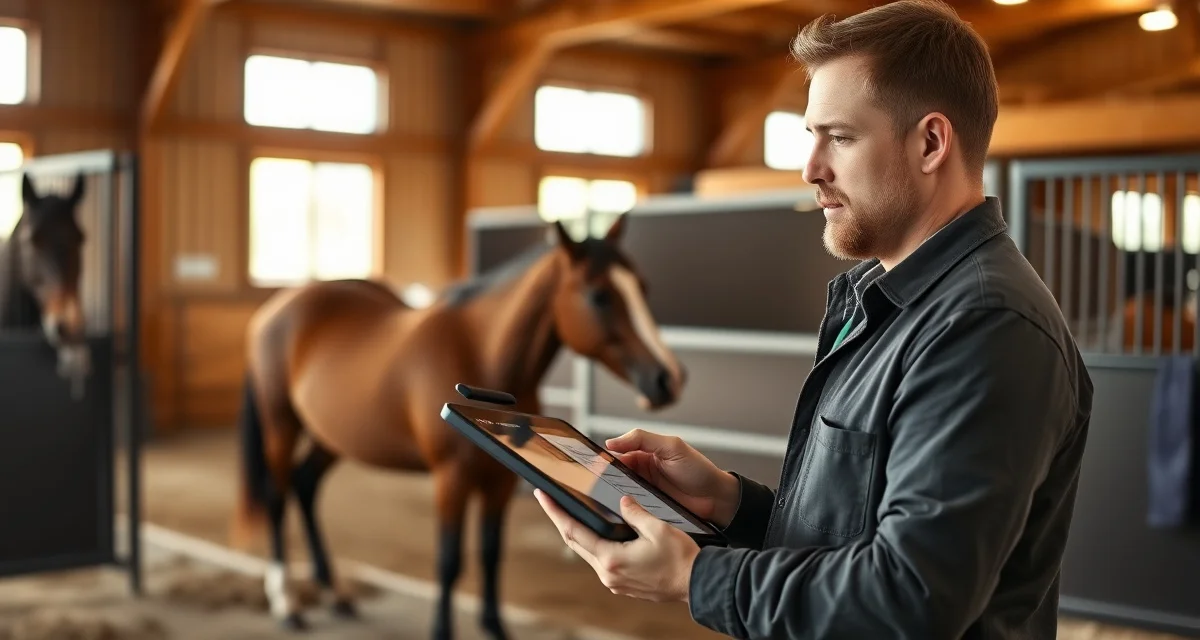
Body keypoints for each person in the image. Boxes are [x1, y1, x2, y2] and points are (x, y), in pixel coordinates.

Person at [532, 0, 1094, 637]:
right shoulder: (892, 302)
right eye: (811, 136)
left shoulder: (985, 326)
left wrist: (694, 577)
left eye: (841, 137)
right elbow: (856, 537)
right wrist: (729, 502)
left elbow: (911, 597)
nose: (810, 169)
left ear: (931, 143)